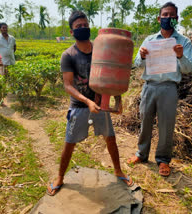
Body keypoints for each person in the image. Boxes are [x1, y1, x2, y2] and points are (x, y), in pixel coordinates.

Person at [46, 10, 133, 196]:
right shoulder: (68, 55)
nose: (83, 28)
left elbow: (114, 75)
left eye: (85, 25)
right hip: (79, 107)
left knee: (110, 138)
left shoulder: (102, 49)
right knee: (69, 143)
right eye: (78, 27)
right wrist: (87, 101)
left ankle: (118, 171)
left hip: (101, 103)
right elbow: (68, 85)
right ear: (72, 32)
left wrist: (117, 100)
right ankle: (60, 177)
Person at [127, 2, 192, 177]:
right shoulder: (149, 40)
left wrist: (180, 56)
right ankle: (141, 154)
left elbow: (188, 69)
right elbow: (136, 64)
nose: (168, 18)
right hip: (149, 86)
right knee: (145, 122)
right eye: (165, 15)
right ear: (159, 18)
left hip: (169, 88)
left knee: (166, 125)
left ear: (176, 19)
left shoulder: (184, 42)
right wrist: (141, 56)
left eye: (172, 15)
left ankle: (163, 160)